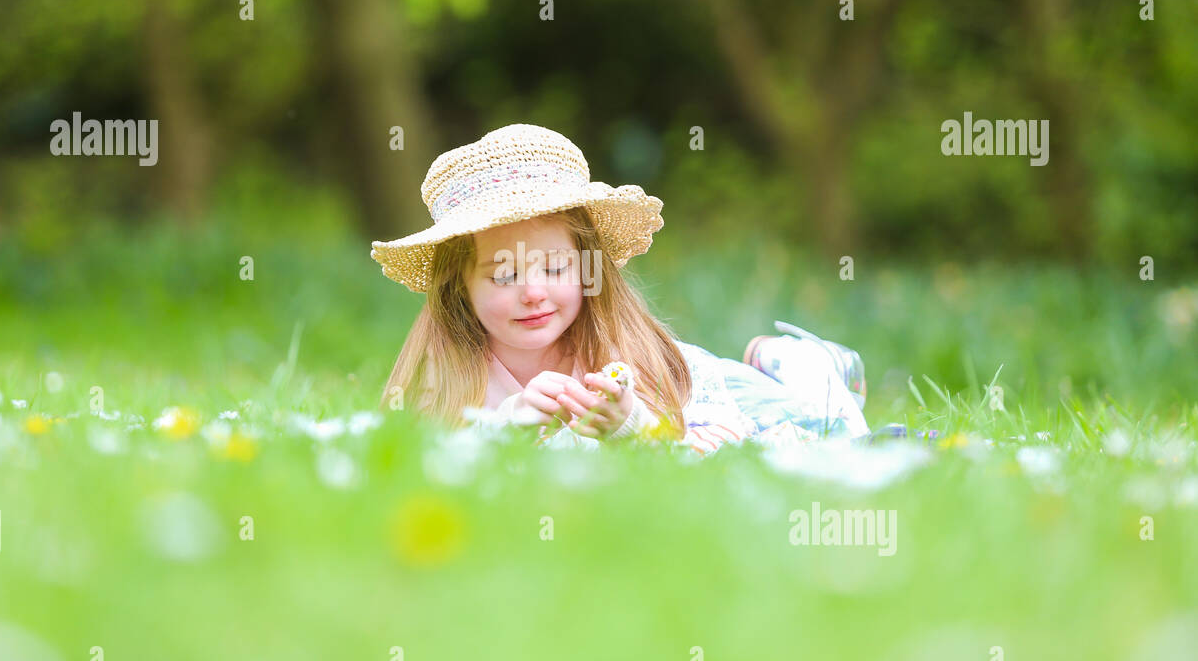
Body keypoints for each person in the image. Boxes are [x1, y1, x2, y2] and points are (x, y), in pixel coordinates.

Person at [371, 124, 871, 454]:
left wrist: (631, 425)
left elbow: (709, 447)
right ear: (459, 288)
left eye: (554, 269)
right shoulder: (449, 374)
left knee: (820, 431)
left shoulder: (623, 352)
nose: (533, 293)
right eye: (505, 275)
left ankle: (811, 367)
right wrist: (507, 422)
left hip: (712, 392)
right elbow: (427, 458)